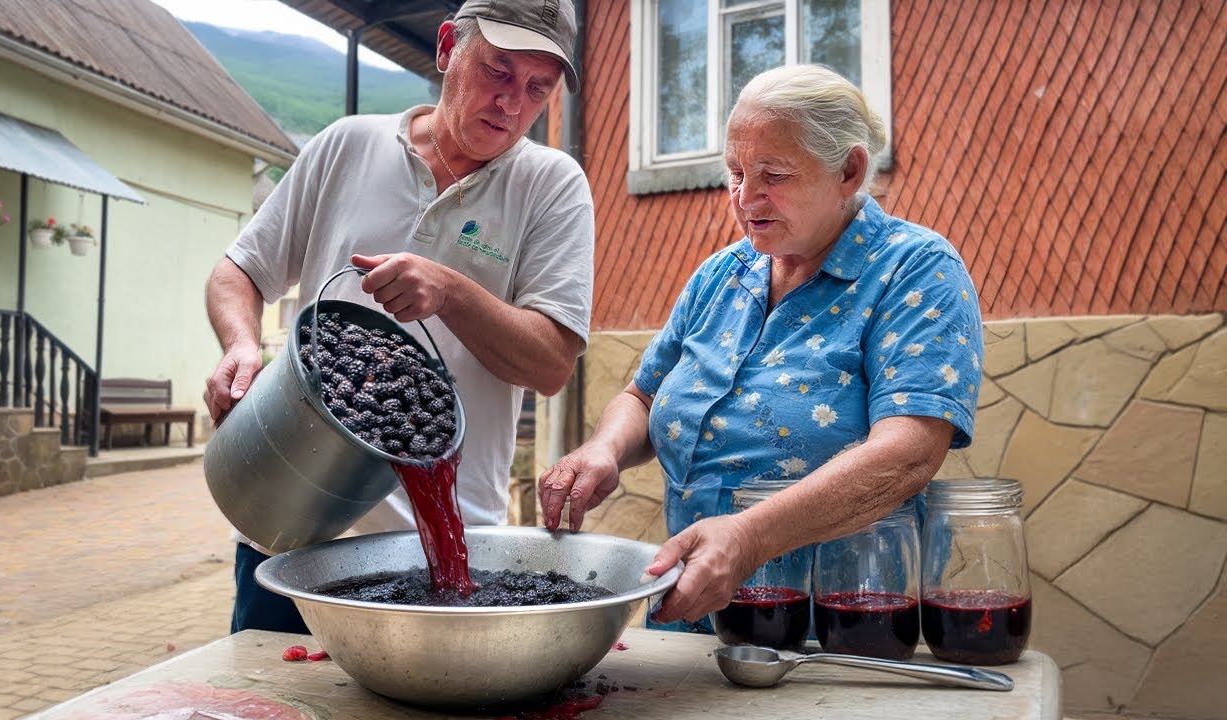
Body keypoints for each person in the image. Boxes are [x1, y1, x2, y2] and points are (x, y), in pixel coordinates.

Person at [538, 64, 983, 632]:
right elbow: (643, 396)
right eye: (735, 172)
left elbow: (909, 453)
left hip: (842, 628)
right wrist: (604, 449)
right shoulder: (723, 274)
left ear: (849, 171)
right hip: (694, 617)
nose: (747, 197)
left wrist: (748, 538)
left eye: (773, 174)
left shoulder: (914, 269)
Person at [203, 0, 594, 634]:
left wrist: (453, 292)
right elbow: (238, 272)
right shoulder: (346, 145)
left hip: (443, 552)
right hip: (292, 529)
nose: (512, 103)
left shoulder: (553, 186)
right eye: (498, 70)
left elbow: (551, 364)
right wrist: (240, 346)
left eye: (537, 89)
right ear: (447, 49)